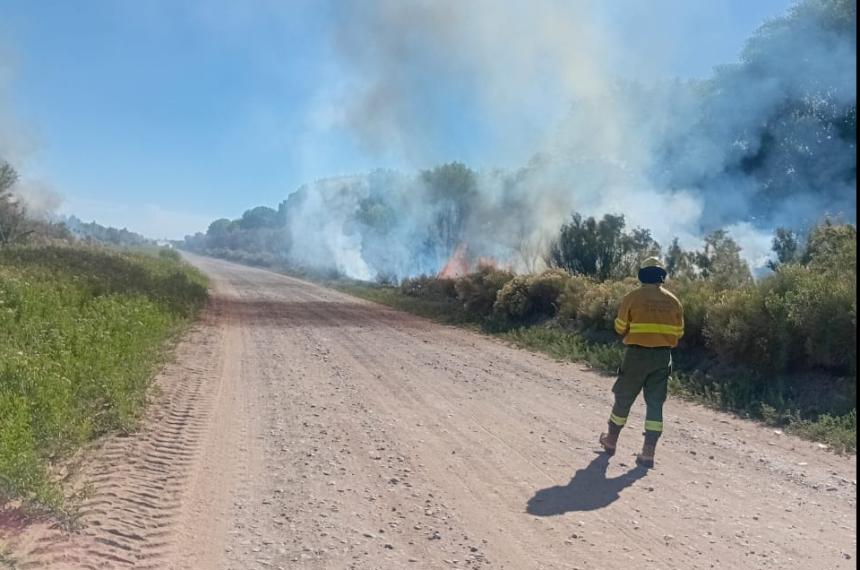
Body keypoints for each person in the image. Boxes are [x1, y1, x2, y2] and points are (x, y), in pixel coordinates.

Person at [599, 257, 684, 468]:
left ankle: (611, 441)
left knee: (624, 398)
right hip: (663, 357)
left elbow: (620, 327)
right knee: (655, 404)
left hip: (636, 356)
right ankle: (648, 453)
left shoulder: (632, 297)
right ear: (661, 277)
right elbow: (679, 332)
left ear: (642, 275)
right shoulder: (674, 301)